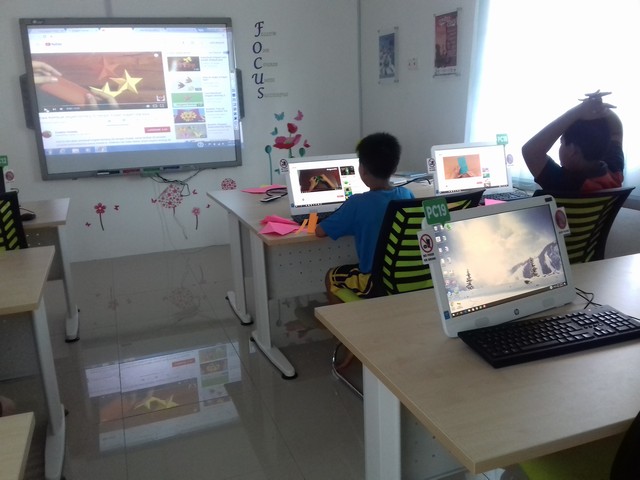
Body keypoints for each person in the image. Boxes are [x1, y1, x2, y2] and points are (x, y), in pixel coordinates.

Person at [316, 132, 415, 304]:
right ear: (395, 168)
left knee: (332, 277)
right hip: (407, 277)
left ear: (361, 169)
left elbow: (320, 232)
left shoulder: (357, 203)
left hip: (374, 281)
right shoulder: (407, 195)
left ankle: (347, 322)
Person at [521, 91, 624, 192]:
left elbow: (530, 151)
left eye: (561, 142)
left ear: (572, 150)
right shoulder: (615, 173)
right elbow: (616, 132)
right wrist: (599, 108)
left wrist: (579, 111)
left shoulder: (563, 183)